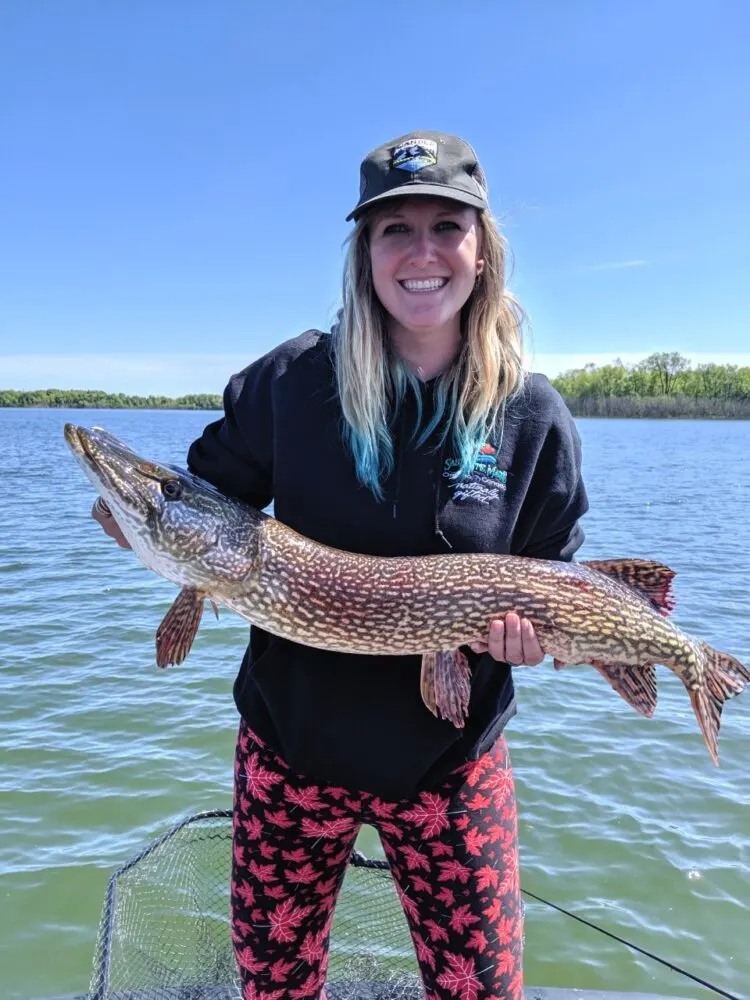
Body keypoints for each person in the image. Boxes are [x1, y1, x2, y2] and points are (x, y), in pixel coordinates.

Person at [93, 131, 588, 1000]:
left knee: (481, 990)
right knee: (275, 985)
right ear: (364, 252)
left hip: (450, 761)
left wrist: (538, 642)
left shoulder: (532, 415)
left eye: (447, 226)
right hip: (292, 753)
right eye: (395, 229)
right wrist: (139, 524)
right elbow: (204, 504)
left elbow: (559, 580)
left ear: (483, 250)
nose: (422, 252)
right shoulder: (291, 381)